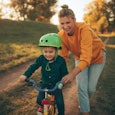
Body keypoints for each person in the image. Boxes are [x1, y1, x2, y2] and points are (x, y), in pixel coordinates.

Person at [57, 5, 106, 115]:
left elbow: (86, 57)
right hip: (80, 57)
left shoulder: (84, 29)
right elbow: (63, 57)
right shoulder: (61, 35)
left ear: (74, 20)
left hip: (98, 56)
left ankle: (85, 102)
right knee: (81, 87)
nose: (65, 26)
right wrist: (60, 73)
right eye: (62, 23)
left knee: (91, 89)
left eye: (68, 22)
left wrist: (72, 75)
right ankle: (85, 111)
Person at [19, 33, 68, 115]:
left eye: (51, 52)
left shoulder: (61, 61)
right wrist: (25, 75)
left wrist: (63, 81)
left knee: (60, 102)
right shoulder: (41, 58)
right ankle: (42, 106)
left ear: (56, 50)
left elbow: (64, 73)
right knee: (39, 99)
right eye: (45, 51)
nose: (48, 54)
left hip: (56, 85)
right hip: (44, 84)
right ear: (42, 51)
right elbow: (33, 66)